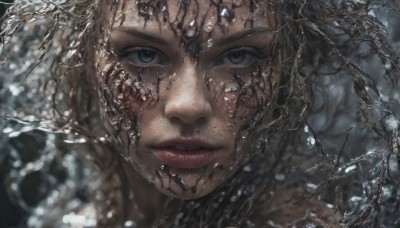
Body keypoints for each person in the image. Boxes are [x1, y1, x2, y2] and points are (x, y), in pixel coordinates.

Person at [1, 0, 399, 227]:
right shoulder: (63, 221)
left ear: (286, 77)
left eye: (239, 57)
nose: (188, 104)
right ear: (83, 64)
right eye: (143, 54)